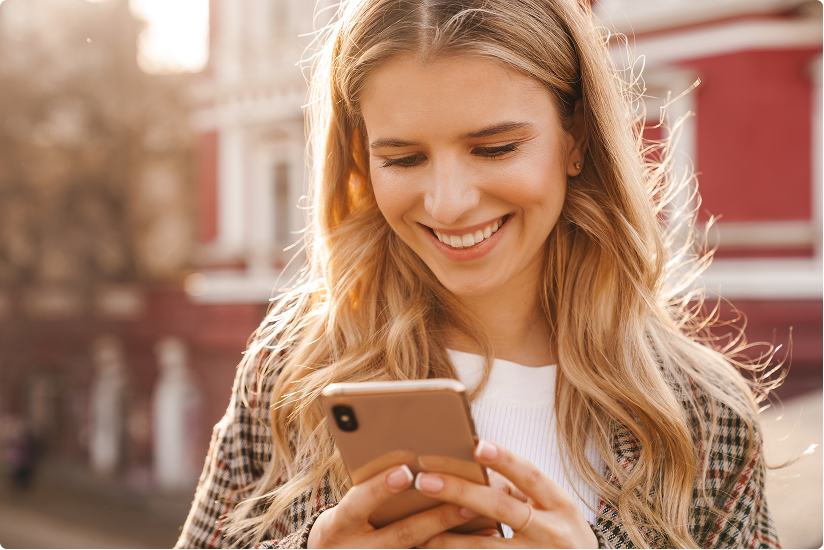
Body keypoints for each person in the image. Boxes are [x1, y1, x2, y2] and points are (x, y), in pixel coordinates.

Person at [176, 1, 780, 548]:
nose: (448, 203)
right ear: (362, 161)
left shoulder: (703, 417)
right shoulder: (290, 372)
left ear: (577, 137)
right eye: (403, 158)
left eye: (495, 149)